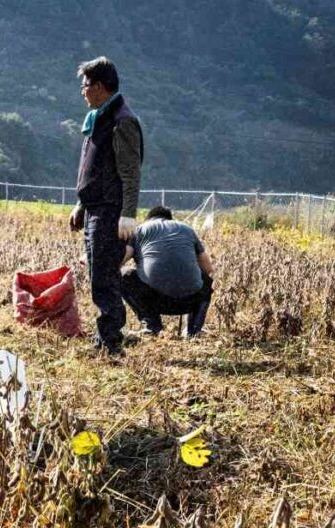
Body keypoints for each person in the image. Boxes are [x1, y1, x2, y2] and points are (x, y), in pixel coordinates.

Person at [69, 56, 143, 356]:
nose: (82, 91)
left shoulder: (122, 121)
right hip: (95, 207)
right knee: (97, 272)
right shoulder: (99, 118)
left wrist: (127, 214)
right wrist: (81, 204)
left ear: (99, 86)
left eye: (85, 85)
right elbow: (94, 169)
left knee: (104, 274)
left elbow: (130, 172)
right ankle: (106, 336)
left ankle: (110, 339)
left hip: (111, 210)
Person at [120, 206, 214, 338]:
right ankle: (193, 331)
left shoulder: (139, 230)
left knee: (124, 275)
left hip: (155, 300)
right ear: (170, 219)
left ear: (149, 218)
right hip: (189, 301)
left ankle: (152, 327)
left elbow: (122, 259)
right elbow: (208, 268)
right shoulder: (187, 229)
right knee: (207, 280)